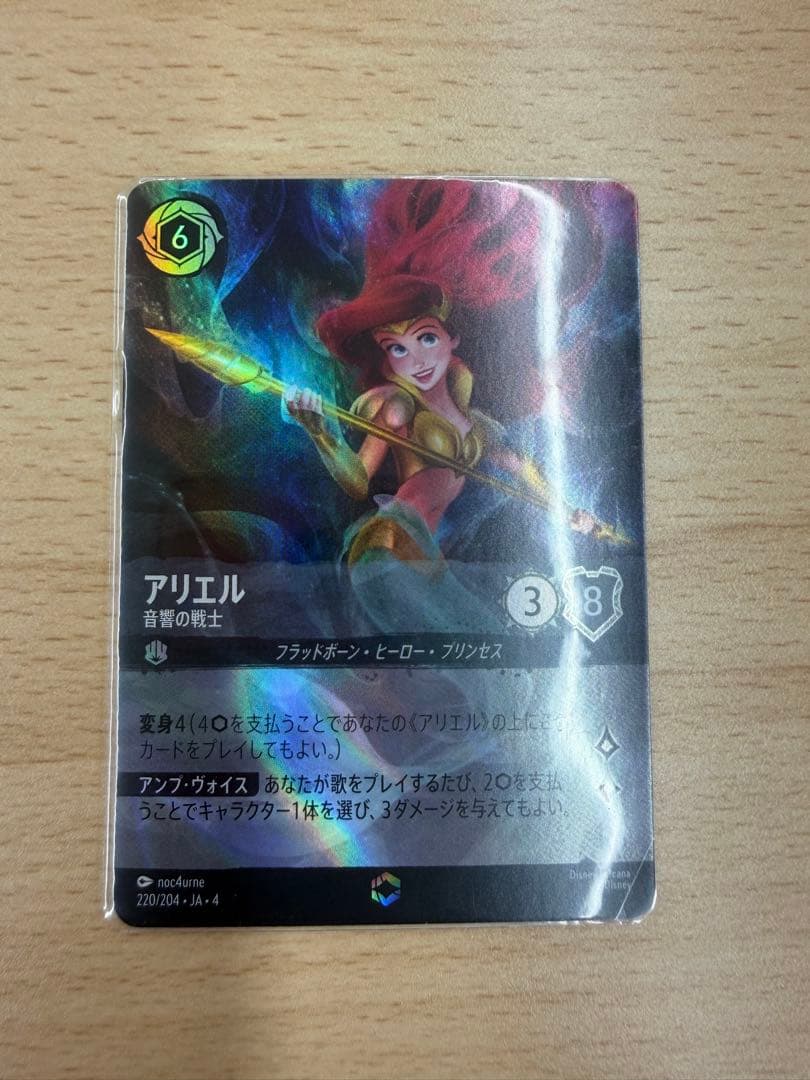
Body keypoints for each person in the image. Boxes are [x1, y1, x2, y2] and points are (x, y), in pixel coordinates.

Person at [283, 181, 599, 632]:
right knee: (489, 647)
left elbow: (522, 469)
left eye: (426, 338)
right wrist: (321, 433)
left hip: (425, 557)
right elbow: (356, 479)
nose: (415, 360)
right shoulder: (396, 408)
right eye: (397, 348)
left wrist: (567, 511)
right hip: (390, 546)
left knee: (485, 649)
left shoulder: (478, 425)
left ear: (452, 338)